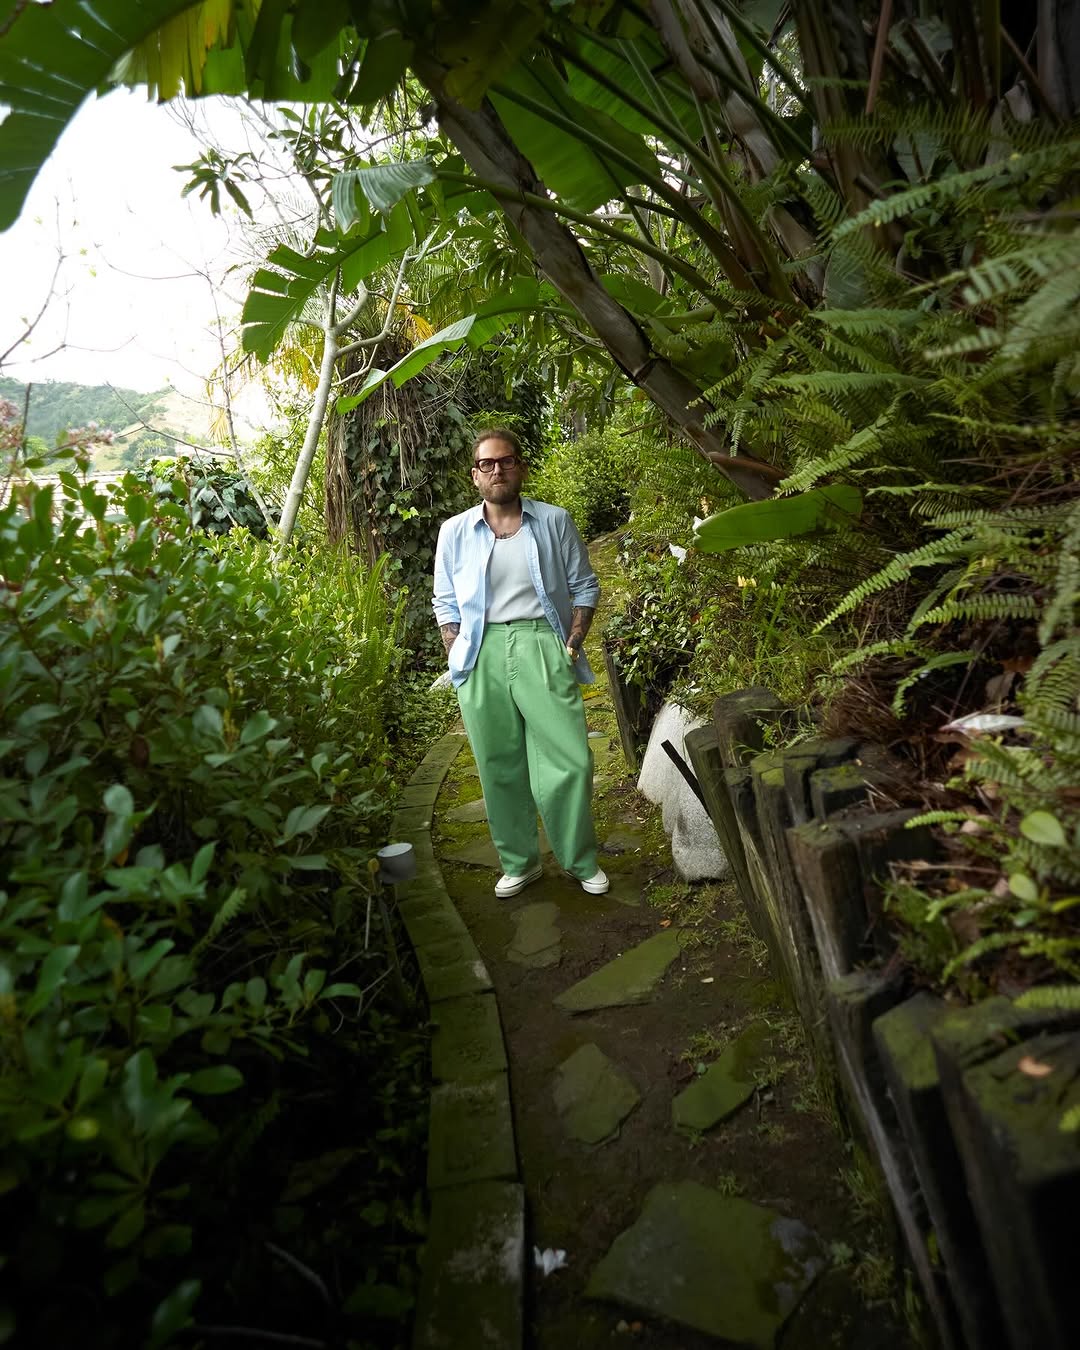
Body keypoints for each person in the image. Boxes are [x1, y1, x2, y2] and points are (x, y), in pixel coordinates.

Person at [432, 429, 609, 899]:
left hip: (541, 644)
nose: (497, 471)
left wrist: (570, 645)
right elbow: (445, 601)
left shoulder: (553, 521)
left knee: (569, 758)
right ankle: (519, 862)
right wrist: (456, 651)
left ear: (520, 467)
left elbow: (584, 587)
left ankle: (578, 859)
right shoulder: (454, 532)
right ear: (475, 475)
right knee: (497, 763)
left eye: (506, 461)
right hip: (480, 651)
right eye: (486, 464)